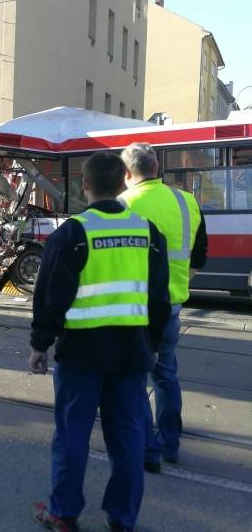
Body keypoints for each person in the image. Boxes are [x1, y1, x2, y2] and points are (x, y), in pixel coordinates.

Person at [30, 152, 170, 532]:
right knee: (127, 439)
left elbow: (49, 296)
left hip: (81, 354)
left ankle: (63, 514)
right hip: (130, 353)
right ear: (124, 181)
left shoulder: (72, 234)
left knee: (72, 435)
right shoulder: (147, 232)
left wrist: (40, 344)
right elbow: (159, 298)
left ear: (85, 185)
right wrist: (153, 343)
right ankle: (123, 519)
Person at [119, 142, 207, 473]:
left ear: (128, 174)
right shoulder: (186, 201)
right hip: (171, 305)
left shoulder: (124, 204)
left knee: (135, 380)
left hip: (137, 307)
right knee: (166, 375)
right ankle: (170, 443)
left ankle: (147, 449)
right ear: (156, 169)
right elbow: (200, 254)